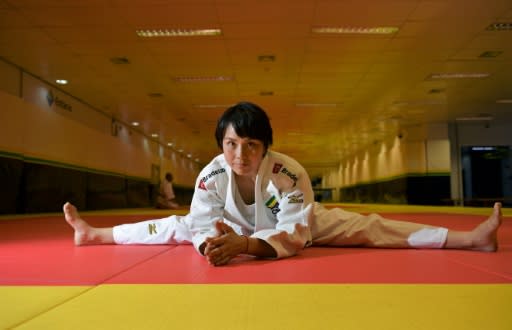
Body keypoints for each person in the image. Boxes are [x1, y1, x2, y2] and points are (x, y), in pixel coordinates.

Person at [63, 101, 503, 266]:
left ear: (267, 146)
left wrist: (247, 248)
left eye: (251, 145)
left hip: (297, 227)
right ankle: (93, 234)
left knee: (368, 226)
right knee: (173, 225)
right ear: (221, 144)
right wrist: (213, 245)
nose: (240, 155)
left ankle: (468, 240)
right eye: (231, 144)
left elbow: (294, 232)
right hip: (231, 228)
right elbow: (200, 224)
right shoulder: (211, 175)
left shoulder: (288, 172)